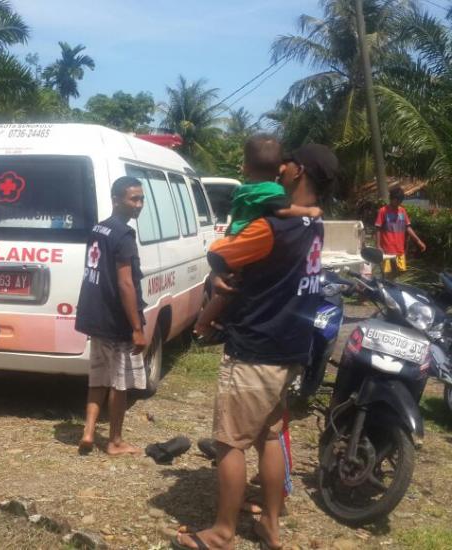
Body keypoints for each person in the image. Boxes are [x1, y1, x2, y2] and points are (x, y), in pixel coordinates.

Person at [172, 144, 338, 550]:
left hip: (256, 348)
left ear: (299, 171)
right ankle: (270, 525)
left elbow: (221, 253)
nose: (280, 169)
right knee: (269, 435)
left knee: (230, 442)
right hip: (291, 348)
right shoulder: (313, 225)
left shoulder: (269, 227)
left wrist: (220, 279)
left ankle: (222, 533)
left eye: (288, 164)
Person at [194, 134, 321, 341]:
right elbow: (283, 210)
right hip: (241, 243)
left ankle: (202, 322)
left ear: (244, 168)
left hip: (233, 236)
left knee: (225, 291)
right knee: (229, 291)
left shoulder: (244, 189)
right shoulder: (272, 191)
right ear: (280, 169)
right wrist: (309, 212)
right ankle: (204, 323)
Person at [75, 176, 147, 457]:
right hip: (117, 322)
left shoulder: (99, 228)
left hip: (96, 318)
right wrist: (137, 327)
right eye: (133, 199)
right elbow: (126, 283)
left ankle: (89, 431)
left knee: (98, 377)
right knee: (120, 384)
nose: (139, 205)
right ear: (116, 199)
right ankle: (115, 440)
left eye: (141, 199)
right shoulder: (123, 235)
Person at [375, 186, 426, 278]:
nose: (399, 202)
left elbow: (408, 228)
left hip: (400, 250)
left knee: (400, 272)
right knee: (387, 274)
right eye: (396, 200)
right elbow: (378, 228)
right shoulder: (383, 211)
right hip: (387, 251)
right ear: (391, 198)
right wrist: (378, 246)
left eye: (400, 200)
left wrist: (418, 241)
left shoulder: (402, 211)